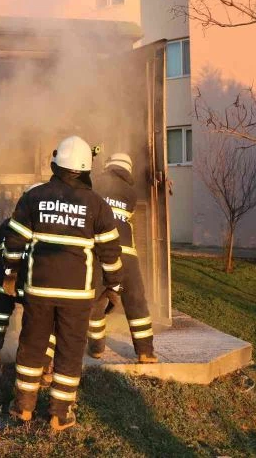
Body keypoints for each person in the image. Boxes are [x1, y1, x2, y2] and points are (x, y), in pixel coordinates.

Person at [4, 136, 123, 431]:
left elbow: (14, 241)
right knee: (69, 351)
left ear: (56, 164)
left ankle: (23, 407)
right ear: (85, 168)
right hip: (77, 295)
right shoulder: (96, 204)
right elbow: (110, 252)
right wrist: (114, 285)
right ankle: (59, 413)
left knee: (32, 346)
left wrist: (10, 273)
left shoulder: (34, 197)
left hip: (39, 290)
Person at [88, 153, 158, 363]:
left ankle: (97, 347)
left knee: (96, 302)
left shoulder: (96, 183)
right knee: (136, 302)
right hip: (127, 254)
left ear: (109, 166)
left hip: (102, 252)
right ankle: (146, 351)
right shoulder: (131, 193)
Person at [0, 215, 55, 387]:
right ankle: (44, 363)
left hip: (4, 278)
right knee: (46, 320)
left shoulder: (7, 223)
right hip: (31, 285)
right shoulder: (48, 225)